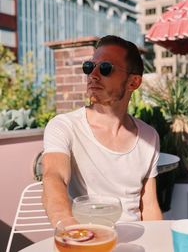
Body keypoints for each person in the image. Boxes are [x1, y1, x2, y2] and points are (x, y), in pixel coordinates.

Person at [42, 35, 163, 227]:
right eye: (89, 67)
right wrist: (67, 225)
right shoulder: (65, 126)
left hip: (137, 240)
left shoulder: (149, 136)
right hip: (89, 237)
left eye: (106, 68)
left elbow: (148, 206)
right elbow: (53, 176)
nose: (93, 75)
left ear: (133, 83)